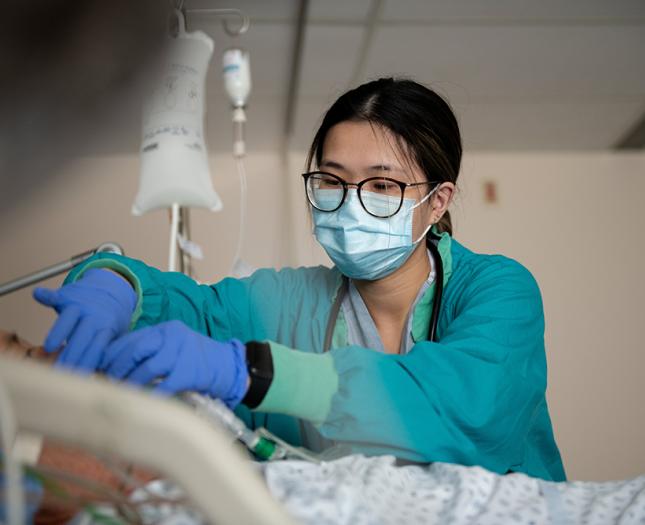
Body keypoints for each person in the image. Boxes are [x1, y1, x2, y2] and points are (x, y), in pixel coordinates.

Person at [33, 78, 566, 481]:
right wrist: (113, 283)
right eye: (332, 180)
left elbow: (466, 406)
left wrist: (256, 373)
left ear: (437, 202)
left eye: (381, 185)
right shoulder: (291, 299)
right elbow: (190, 307)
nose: (350, 201)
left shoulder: (498, 291)